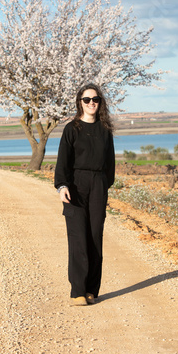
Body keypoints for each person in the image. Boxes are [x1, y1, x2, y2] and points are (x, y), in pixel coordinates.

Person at [54, 83, 115, 306]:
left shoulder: (105, 130)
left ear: (100, 103)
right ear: (80, 102)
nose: (91, 103)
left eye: (95, 99)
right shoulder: (72, 129)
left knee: (94, 237)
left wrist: (102, 186)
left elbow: (110, 164)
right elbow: (63, 162)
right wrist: (62, 186)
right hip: (76, 185)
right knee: (78, 237)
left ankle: (91, 289)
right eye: (87, 100)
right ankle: (77, 291)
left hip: (98, 185)